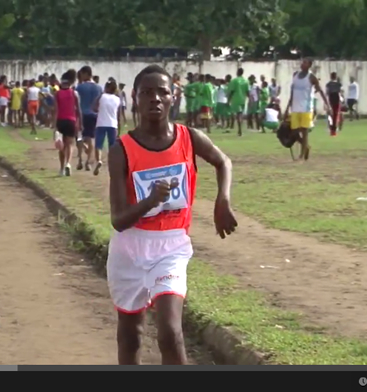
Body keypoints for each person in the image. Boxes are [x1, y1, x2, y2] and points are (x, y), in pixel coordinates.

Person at [107, 64, 237, 365]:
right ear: (135, 99)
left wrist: (223, 199)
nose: (155, 98)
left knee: (170, 332)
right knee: (131, 335)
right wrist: (151, 200)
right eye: (146, 93)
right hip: (129, 249)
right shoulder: (121, 150)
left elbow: (223, 161)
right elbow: (119, 219)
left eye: (162, 92)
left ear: (173, 97)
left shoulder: (189, 138)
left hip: (171, 246)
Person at [284, 58, 330, 161]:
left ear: (309, 65)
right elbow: (292, 93)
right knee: (294, 131)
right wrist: (287, 108)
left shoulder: (311, 77)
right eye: (302, 62)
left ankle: (302, 154)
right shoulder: (295, 75)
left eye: (305, 62)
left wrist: (327, 105)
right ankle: (306, 146)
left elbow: (321, 91)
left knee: (304, 132)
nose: (302, 64)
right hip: (295, 108)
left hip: (306, 108)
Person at [53, 70, 82, 176]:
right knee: (70, 144)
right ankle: (68, 163)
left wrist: (54, 125)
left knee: (61, 146)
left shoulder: (57, 94)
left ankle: (61, 169)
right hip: (71, 121)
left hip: (61, 121)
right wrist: (80, 123)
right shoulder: (74, 93)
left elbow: (56, 110)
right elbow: (79, 110)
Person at [75, 66, 103, 171]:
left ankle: (80, 160)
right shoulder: (99, 88)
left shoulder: (80, 87)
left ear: (86, 74)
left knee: (79, 136)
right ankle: (88, 162)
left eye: (82, 74)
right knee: (90, 138)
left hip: (82, 114)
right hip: (94, 115)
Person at [92, 78, 121, 176]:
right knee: (112, 146)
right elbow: (119, 115)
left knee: (98, 145)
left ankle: (99, 160)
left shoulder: (102, 96)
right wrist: (119, 129)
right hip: (113, 125)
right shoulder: (117, 99)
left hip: (101, 123)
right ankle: (112, 164)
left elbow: (94, 108)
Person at [227, 68, 249, 136]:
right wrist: (250, 99)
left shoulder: (235, 80)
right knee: (240, 115)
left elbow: (232, 91)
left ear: (237, 72)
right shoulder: (246, 81)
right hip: (243, 100)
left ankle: (240, 131)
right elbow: (248, 91)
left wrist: (228, 100)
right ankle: (240, 130)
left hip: (236, 100)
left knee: (238, 115)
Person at [325, 72, 343, 136]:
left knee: (330, 114)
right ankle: (334, 130)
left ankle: (331, 127)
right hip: (337, 98)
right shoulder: (339, 84)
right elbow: (340, 92)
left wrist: (326, 102)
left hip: (331, 98)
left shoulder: (328, 84)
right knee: (336, 114)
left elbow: (327, 93)